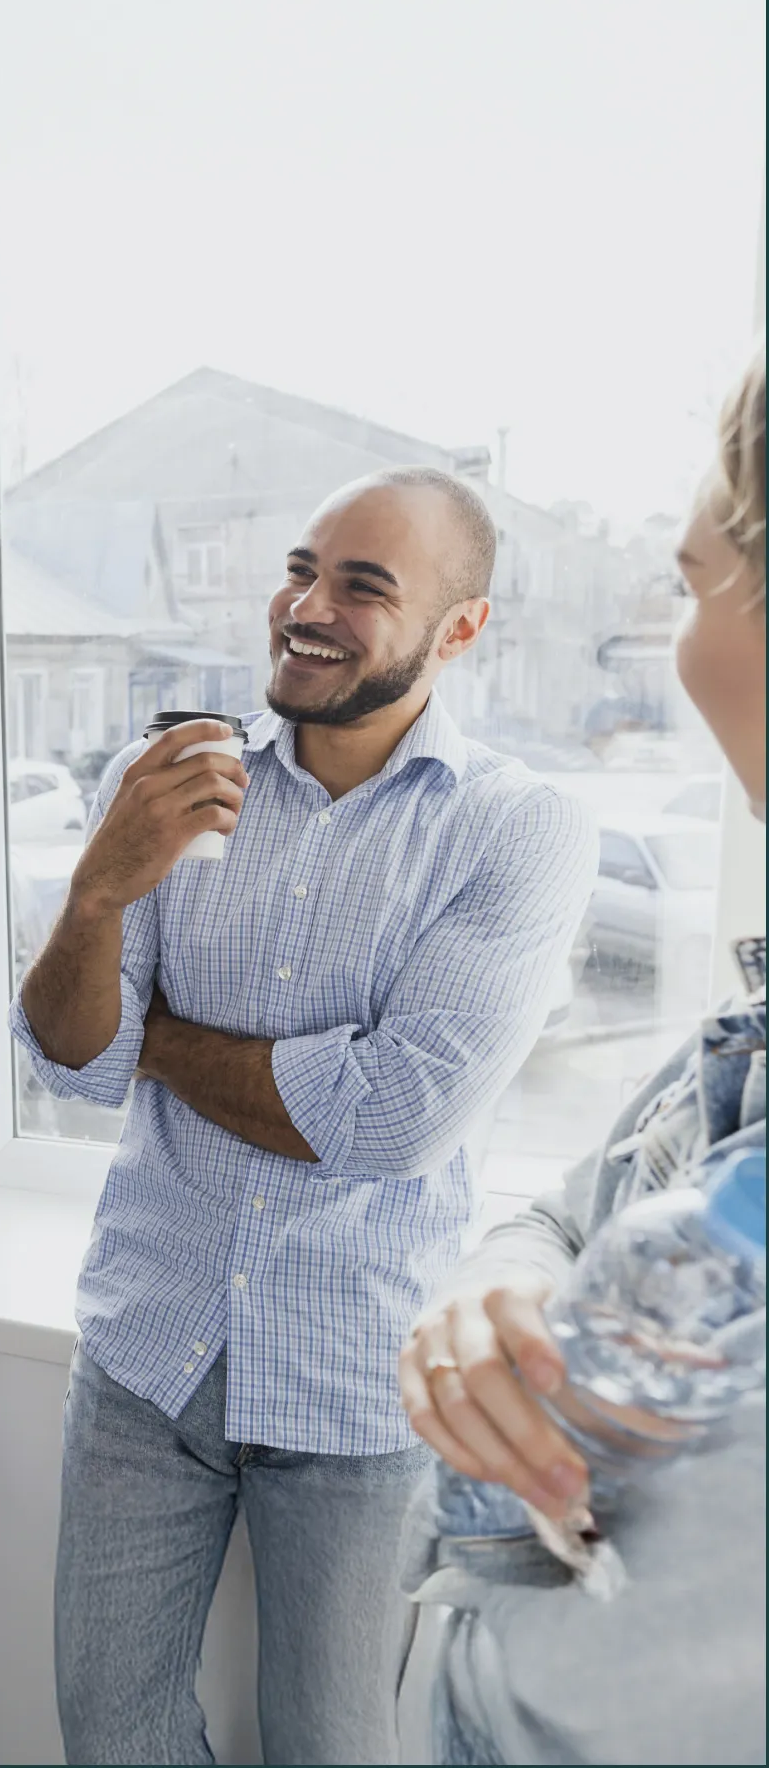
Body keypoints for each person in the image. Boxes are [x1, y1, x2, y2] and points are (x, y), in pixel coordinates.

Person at [15, 467, 599, 1766]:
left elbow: (392, 1119)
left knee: (333, 1749)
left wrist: (150, 1040)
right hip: (144, 1352)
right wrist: (101, 891)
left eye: (361, 586)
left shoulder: (518, 830)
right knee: (109, 1730)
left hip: (357, 1389)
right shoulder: (165, 778)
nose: (305, 607)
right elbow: (66, 1061)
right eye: (301, 568)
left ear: (459, 631)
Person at [398, 342, 766, 1765]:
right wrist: (504, 1282)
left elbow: (374, 1111)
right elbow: (568, 1203)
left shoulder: (516, 832)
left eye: (689, 584)